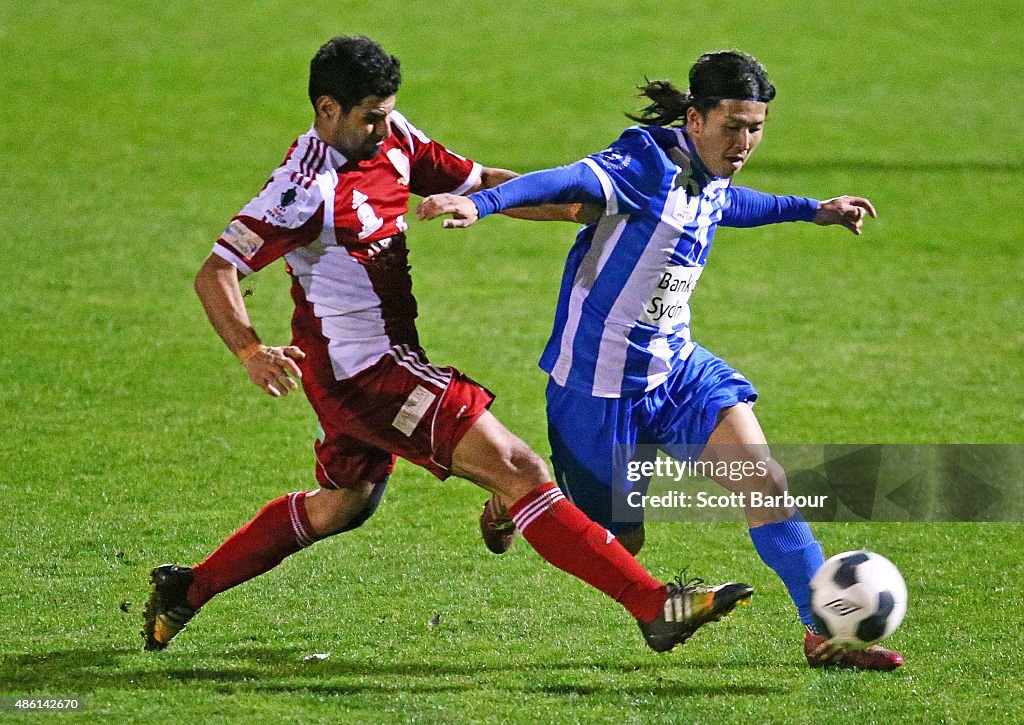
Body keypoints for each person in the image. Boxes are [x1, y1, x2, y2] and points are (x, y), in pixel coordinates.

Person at [143, 36, 756, 655]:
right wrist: (252, 352)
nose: (384, 126)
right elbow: (217, 271)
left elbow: (479, 180)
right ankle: (655, 605)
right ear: (327, 109)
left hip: (355, 374)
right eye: (370, 116)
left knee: (343, 505)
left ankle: (186, 590)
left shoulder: (395, 138)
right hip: (370, 375)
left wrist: (579, 209)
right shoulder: (303, 190)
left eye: (388, 111)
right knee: (520, 470)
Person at [417, 50, 903, 670]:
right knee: (622, 539)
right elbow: (565, 182)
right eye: (734, 126)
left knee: (765, 484)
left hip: (677, 372)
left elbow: (730, 203)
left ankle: (822, 633)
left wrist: (814, 208)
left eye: (756, 127)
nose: (745, 141)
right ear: (695, 119)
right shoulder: (642, 164)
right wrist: (480, 204)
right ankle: (515, 500)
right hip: (595, 385)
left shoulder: (711, 167)